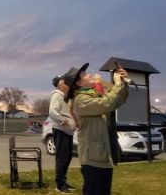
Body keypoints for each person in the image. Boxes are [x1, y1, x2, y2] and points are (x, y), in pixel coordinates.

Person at [63, 63, 128, 195]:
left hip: (102, 156)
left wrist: (123, 83)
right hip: (92, 160)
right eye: (85, 75)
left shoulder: (93, 94)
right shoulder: (80, 100)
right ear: (79, 83)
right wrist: (116, 85)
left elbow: (118, 100)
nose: (90, 75)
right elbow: (106, 103)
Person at [49, 74, 77, 193]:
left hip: (67, 131)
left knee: (67, 157)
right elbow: (52, 112)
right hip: (61, 131)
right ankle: (60, 185)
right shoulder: (56, 95)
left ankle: (63, 181)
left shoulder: (65, 96)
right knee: (62, 158)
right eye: (64, 81)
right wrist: (63, 121)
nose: (67, 83)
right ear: (60, 84)